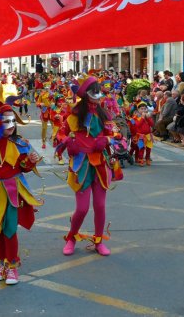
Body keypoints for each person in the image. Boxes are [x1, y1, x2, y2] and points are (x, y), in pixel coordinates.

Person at [0, 103, 42, 285]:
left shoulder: (20, 144)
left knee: (10, 229)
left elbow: (23, 167)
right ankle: (2, 264)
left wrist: (31, 162)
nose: (10, 125)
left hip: (13, 191)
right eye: (6, 122)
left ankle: (12, 266)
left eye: (13, 121)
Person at [56, 74, 118, 256]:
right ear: (86, 94)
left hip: (100, 163)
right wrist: (69, 142)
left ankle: (98, 241)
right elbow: (59, 135)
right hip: (81, 165)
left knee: (100, 206)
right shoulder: (73, 115)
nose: (97, 95)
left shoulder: (104, 114)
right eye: (94, 92)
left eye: (99, 92)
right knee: (82, 208)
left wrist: (106, 139)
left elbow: (119, 138)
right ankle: (71, 237)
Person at [129, 101, 154, 166]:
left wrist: (148, 118)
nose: (143, 110)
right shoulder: (135, 118)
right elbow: (137, 125)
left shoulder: (148, 116)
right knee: (141, 148)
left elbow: (152, 124)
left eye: (145, 109)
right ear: (138, 110)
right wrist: (142, 118)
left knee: (149, 148)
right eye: (141, 109)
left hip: (148, 135)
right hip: (140, 136)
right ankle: (140, 159)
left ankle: (147, 158)